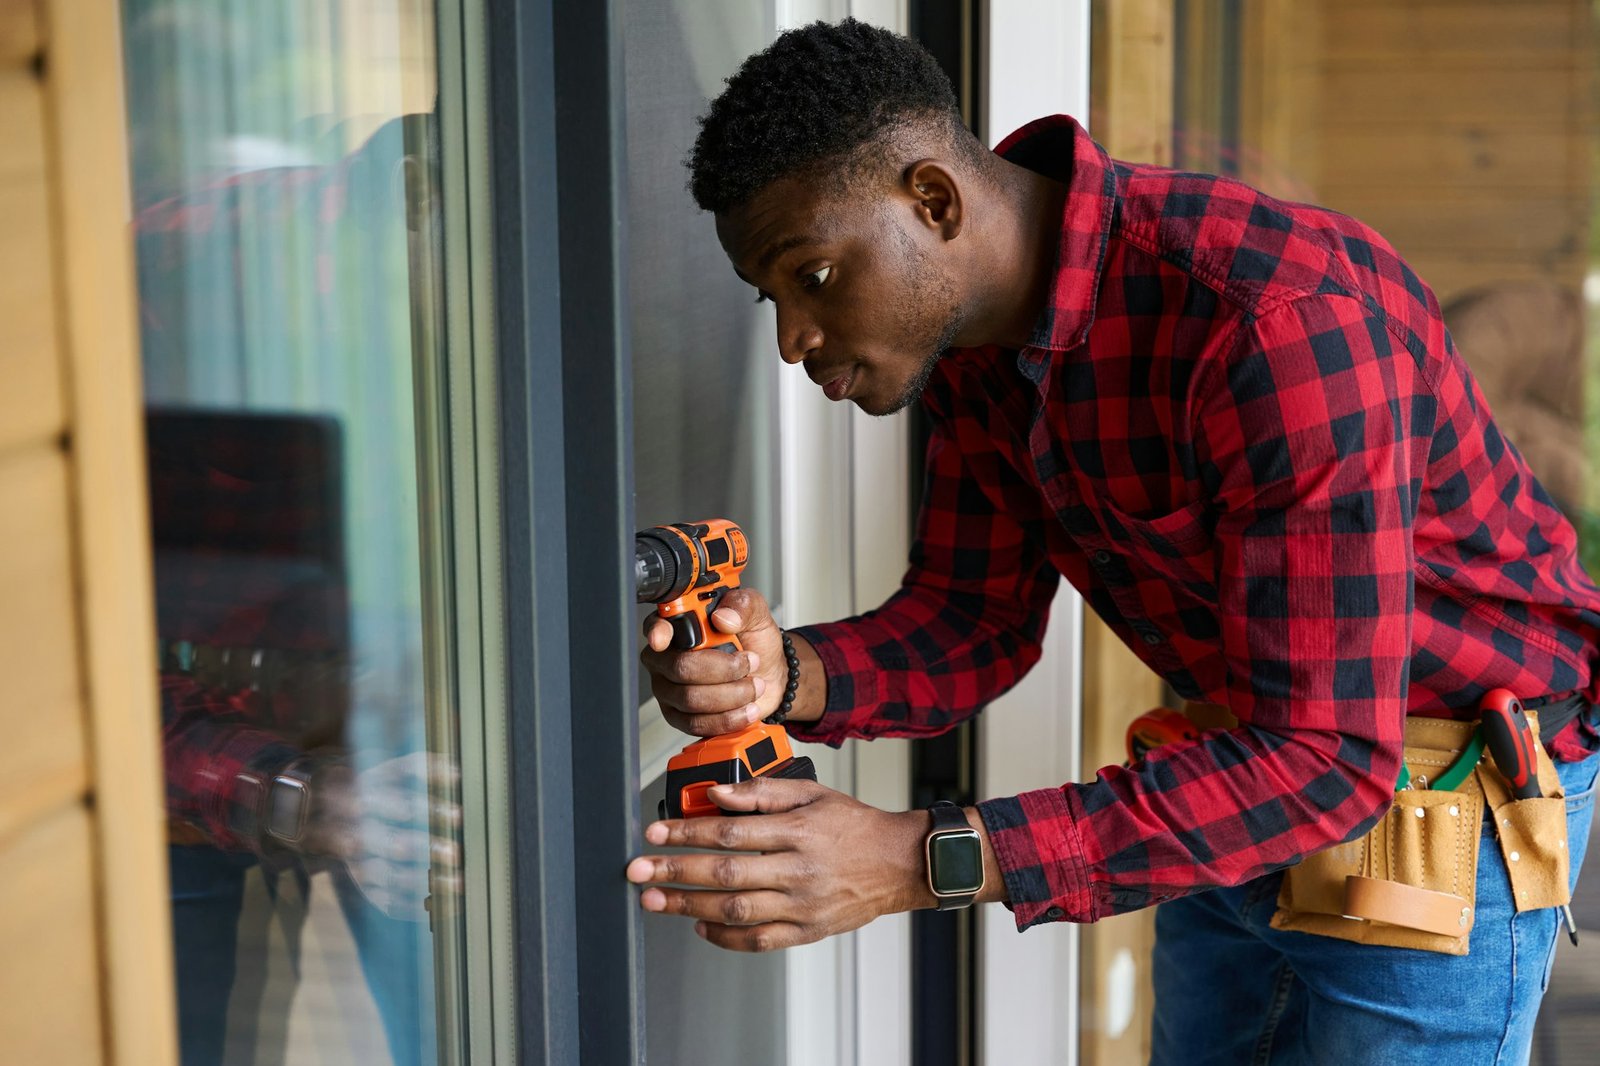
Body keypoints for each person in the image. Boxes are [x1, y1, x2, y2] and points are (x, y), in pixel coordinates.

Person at [626, 18, 1600, 1063]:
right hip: (1230, 776)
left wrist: (918, 857)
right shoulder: (974, 349)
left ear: (934, 201)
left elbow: (1326, 759)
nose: (791, 341)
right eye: (769, 298)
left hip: (1445, 805)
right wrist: (788, 675)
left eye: (811, 276)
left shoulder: (1273, 317)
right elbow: (972, 619)